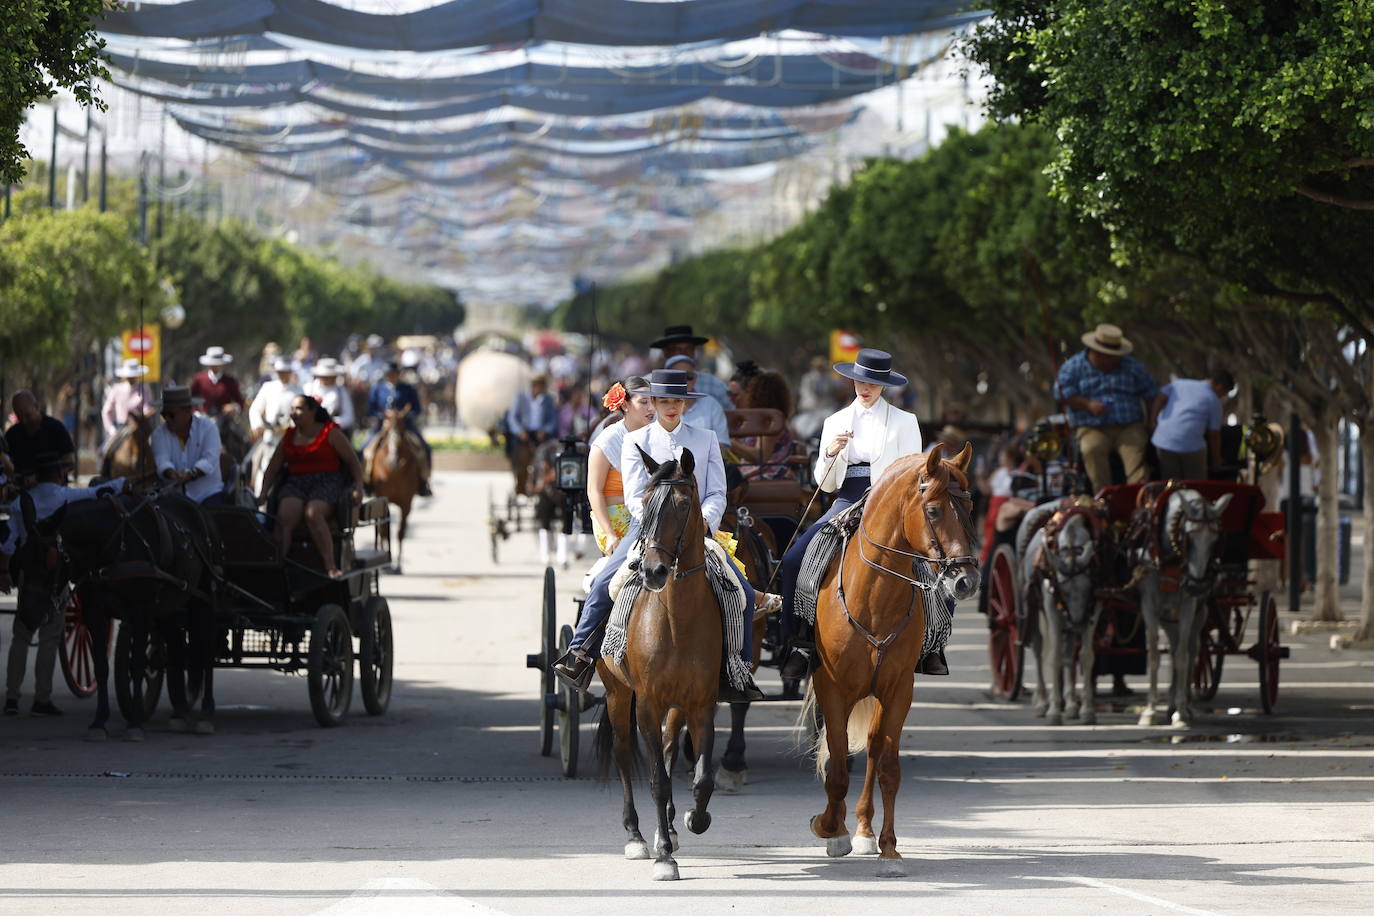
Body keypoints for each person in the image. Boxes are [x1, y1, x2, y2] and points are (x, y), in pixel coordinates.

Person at [553, 369, 770, 701]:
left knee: (741, 591)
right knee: (602, 584)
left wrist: (703, 523)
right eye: (664, 400)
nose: (671, 407)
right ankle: (580, 652)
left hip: (698, 530)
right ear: (653, 402)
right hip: (648, 530)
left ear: (685, 403)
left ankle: (738, 669)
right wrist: (659, 523)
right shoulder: (634, 441)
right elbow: (633, 495)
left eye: (677, 401)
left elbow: (717, 493)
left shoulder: (706, 438)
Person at [777, 349, 933, 678]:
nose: (866, 388)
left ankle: (932, 645)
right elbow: (826, 483)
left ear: (884, 386)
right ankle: (798, 642)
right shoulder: (834, 421)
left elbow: (913, 473)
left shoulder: (906, 422)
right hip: (846, 498)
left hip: (892, 502)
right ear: (852, 379)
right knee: (793, 561)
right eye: (861, 381)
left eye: (874, 383)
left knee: (933, 565)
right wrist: (830, 453)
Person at [0, 453, 126, 716]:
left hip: (28, 576)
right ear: (58, 475)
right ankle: (41, 698)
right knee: (50, 636)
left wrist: (5, 573)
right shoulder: (64, 497)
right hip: (53, 575)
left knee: (21, 636)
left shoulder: (22, 502)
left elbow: (8, 543)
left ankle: (12, 698)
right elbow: (100, 492)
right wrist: (126, 482)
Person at [257, 395, 366, 579]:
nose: (294, 413)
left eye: (299, 409)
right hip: (297, 482)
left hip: (327, 481)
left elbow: (352, 461)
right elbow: (273, 468)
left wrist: (358, 486)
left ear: (312, 411)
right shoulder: (289, 436)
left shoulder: (330, 433)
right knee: (285, 516)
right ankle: (276, 567)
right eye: (292, 409)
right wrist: (263, 493)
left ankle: (330, 566)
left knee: (313, 513)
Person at [1053, 323, 1159, 493]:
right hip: (1091, 427)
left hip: (1129, 426)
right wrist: (1087, 404)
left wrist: (1151, 422)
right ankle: (1103, 497)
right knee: (1092, 449)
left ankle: (1138, 497)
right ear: (1095, 352)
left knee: (1136, 453)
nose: (1113, 360)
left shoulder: (1132, 366)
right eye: (1108, 356)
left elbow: (1152, 393)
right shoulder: (1073, 367)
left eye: (1115, 356)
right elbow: (1062, 394)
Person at [587, 377, 654, 556]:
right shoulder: (607, 440)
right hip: (616, 520)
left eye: (653, 401)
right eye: (644, 402)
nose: (651, 408)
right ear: (625, 405)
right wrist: (609, 534)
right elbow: (594, 491)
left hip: (652, 514)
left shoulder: (658, 435)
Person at [363, 362, 432, 497]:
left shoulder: (408, 389)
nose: (392, 377)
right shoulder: (377, 388)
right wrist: (384, 416)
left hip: (405, 426)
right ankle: (366, 482)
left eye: (394, 374)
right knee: (365, 449)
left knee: (424, 448)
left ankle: (424, 482)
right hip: (383, 426)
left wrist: (403, 416)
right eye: (389, 375)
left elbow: (417, 409)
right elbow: (371, 410)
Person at [151, 386, 226, 506]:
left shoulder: (208, 428)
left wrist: (191, 474)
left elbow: (210, 460)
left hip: (208, 494)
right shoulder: (158, 434)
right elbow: (162, 460)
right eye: (164, 415)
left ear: (188, 411)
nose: (167, 419)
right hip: (175, 497)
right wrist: (171, 473)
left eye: (172, 414)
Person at [1151, 371, 1232, 480]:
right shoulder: (1213, 401)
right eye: (1224, 393)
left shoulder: (1180, 384)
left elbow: (1160, 397)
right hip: (1191, 446)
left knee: (1171, 482)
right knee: (1195, 484)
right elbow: (1214, 435)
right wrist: (1216, 460)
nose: (1223, 397)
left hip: (1163, 440)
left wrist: (1153, 421)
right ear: (1220, 387)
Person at [731, 370, 797, 480]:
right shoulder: (775, 419)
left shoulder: (770, 421)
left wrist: (729, 442)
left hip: (767, 474)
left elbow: (760, 456)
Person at [650, 325, 733, 410]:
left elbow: (732, 413)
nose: (682, 354)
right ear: (665, 353)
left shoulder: (714, 385)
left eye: (688, 350)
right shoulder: (649, 384)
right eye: (676, 350)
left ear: (694, 353)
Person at [5, 391, 76, 485]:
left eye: (27, 415)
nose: (24, 421)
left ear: (36, 406)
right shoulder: (12, 434)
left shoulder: (55, 428)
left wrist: (43, 477)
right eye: (19, 417)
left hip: (53, 490)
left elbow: (69, 461)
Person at [663, 355, 730, 447]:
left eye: (689, 376)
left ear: (695, 378)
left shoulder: (711, 404)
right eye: (678, 376)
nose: (684, 380)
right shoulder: (656, 405)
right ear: (667, 378)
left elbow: (722, 444)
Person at [248, 358, 300, 444]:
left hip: (291, 438)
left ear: (290, 372)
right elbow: (255, 409)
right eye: (280, 371)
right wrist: (258, 426)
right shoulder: (268, 387)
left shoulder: (298, 391)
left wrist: (289, 426)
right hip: (269, 437)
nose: (283, 374)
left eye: (285, 371)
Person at [100, 359, 151, 448]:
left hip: (138, 428)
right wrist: (111, 429)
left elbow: (146, 409)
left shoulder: (144, 389)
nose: (131, 378)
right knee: (103, 451)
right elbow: (106, 411)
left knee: (152, 449)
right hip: (119, 428)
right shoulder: (117, 389)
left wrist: (143, 416)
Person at [303, 358, 356, 434]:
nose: (328, 378)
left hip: (333, 432)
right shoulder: (308, 389)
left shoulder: (341, 391)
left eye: (331, 376)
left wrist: (330, 422)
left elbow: (349, 417)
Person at [190, 346, 245, 416]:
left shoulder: (230, 381)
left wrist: (234, 407)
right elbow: (191, 398)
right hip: (203, 419)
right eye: (213, 364)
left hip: (224, 421)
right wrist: (196, 412)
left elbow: (240, 402)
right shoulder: (199, 379)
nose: (216, 366)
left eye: (218, 364)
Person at [506, 375, 558, 447]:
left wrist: (546, 430)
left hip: (541, 433)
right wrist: (519, 431)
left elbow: (553, 419)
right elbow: (512, 417)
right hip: (524, 432)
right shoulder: (521, 397)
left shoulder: (548, 399)